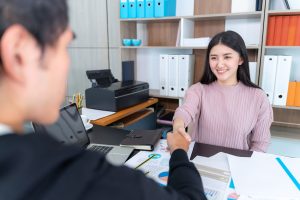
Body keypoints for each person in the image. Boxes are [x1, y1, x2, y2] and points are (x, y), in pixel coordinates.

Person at [0, 0, 207, 199]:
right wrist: (179, 151)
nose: (66, 63)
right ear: (19, 53)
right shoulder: (73, 175)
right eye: (64, 47)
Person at [173, 31, 273, 152]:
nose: (219, 64)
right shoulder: (198, 90)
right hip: (201, 162)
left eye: (227, 57)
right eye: (214, 58)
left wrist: (246, 167)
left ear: (240, 59)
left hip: (240, 165)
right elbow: (185, 111)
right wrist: (178, 126)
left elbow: (260, 143)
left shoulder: (259, 97)